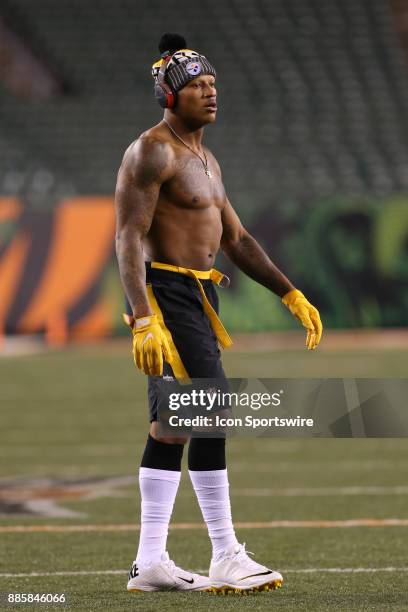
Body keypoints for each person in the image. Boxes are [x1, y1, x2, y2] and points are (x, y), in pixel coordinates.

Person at [115, 32, 322, 595]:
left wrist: (289, 293)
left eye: (213, 84)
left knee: (176, 424)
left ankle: (150, 561)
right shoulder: (152, 150)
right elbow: (128, 238)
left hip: (198, 297)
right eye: (197, 86)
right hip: (167, 294)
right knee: (209, 409)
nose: (210, 94)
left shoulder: (204, 157)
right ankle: (225, 553)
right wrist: (142, 316)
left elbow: (236, 238)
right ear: (169, 95)